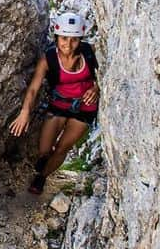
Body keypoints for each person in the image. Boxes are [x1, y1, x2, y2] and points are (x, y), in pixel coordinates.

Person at [9, 12, 100, 195]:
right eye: (64, 38)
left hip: (84, 108)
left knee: (62, 147)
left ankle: (41, 178)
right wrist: (24, 112)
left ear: (80, 39)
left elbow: (103, 74)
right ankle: (45, 161)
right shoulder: (49, 59)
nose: (68, 44)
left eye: (74, 39)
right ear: (57, 37)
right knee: (44, 149)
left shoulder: (89, 52)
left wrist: (95, 89)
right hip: (59, 106)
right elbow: (34, 88)